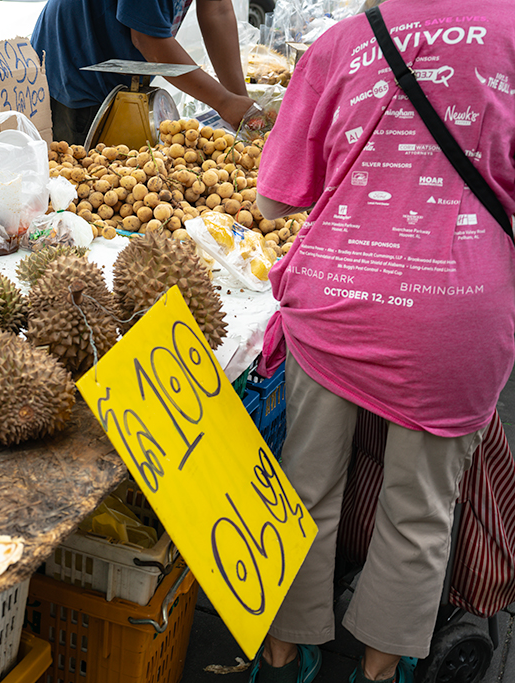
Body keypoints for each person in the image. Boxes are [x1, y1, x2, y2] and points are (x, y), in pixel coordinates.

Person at [253, 1, 515, 682]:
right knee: (419, 510)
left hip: (335, 303)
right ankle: (377, 671)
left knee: (305, 488)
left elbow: (276, 200)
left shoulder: (342, 41)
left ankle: (283, 657)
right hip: (457, 314)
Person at [30, 0, 255, 145]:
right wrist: (224, 102)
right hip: (78, 60)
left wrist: (240, 104)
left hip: (122, 66)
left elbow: (217, 10)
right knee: (85, 179)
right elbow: (149, 41)